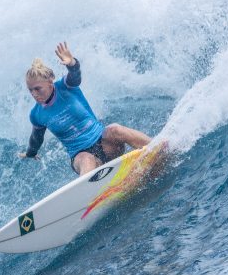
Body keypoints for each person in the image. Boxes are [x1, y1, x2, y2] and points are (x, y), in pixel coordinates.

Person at [19, 41, 152, 175]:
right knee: (86, 159)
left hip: (106, 145)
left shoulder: (65, 87)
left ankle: (156, 148)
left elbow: (75, 76)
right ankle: (91, 191)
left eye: (37, 89)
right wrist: (30, 153)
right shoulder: (36, 114)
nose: (34, 94)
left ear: (50, 81)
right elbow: (36, 138)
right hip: (80, 156)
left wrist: (72, 64)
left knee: (115, 129)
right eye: (30, 90)